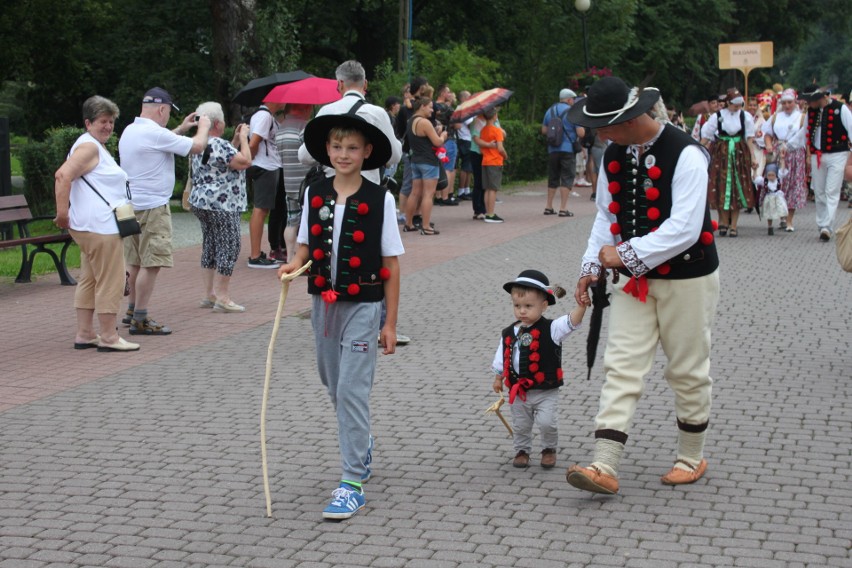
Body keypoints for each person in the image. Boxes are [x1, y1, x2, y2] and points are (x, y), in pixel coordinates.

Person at [565, 76, 720, 495]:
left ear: (630, 119)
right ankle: (605, 465)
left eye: (603, 126)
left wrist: (626, 254)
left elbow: (685, 228)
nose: (597, 134)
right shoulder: (613, 154)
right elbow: (604, 216)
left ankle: (691, 456)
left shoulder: (688, 154)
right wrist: (590, 266)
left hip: (688, 278)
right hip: (634, 283)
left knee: (687, 369)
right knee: (622, 366)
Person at [277, 109, 402, 520]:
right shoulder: (315, 193)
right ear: (326, 151)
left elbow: (392, 263)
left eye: (352, 147)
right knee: (333, 385)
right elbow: (302, 247)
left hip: (365, 307)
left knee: (351, 389)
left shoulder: (380, 197)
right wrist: (291, 267)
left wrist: (390, 322)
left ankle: (351, 482)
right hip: (324, 306)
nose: (343, 154)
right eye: (336, 147)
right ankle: (361, 440)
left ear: (367, 152)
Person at [120, 87, 210, 335]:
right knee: (153, 263)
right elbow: (198, 146)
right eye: (168, 112)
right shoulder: (154, 134)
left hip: (131, 206)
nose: (167, 117)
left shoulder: (132, 130)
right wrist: (204, 127)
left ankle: (130, 310)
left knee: (134, 261)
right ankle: (141, 318)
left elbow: (162, 140)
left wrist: (181, 128)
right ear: (161, 109)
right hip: (153, 209)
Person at [53, 96, 140, 352]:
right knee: (110, 281)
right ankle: (109, 337)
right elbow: (63, 175)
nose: (108, 126)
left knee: (90, 279)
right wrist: (61, 213)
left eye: (111, 121)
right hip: (101, 227)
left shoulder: (93, 145)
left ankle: (85, 333)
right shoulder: (89, 148)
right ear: (88, 122)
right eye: (103, 121)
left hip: (90, 226)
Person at [492, 270, 588, 469]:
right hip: (519, 391)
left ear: (543, 306)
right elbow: (503, 356)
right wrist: (498, 377)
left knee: (547, 423)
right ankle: (521, 450)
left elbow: (572, 321)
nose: (522, 311)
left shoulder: (552, 328)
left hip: (546, 390)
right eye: (517, 306)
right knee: (521, 424)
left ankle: (548, 449)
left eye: (528, 306)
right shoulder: (509, 332)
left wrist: (581, 306)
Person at [188, 102, 252, 312]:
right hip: (222, 204)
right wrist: (243, 139)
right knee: (230, 245)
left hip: (202, 202)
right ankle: (223, 297)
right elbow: (245, 162)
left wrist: (234, 140)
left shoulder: (199, 143)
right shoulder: (220, 146)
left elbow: (224, 159)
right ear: (217, 123)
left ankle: (209, 294)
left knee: (211, 245)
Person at [701, 87, 758, 238]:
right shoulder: (717, 116)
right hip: (722, 153)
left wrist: (753, 157)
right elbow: (706, 136)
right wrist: (698, 151)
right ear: (727, 102)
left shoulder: (745, 117)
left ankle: (733, 225)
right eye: (734, 104)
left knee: (736, 188)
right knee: (721, 186)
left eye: (739, 104)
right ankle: (724, 222)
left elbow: (750, 138)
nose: (737, 107)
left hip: (739, 154)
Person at [803, 86, 852, 241]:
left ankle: (827, 226)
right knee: (819, 192)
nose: (809, 105)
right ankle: (822, 224)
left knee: (832, 191)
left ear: (819, 98)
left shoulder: (840, 108)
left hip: (838, 154)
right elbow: (804, 132)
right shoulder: (811, 112)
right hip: (818, 155)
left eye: (810, 101)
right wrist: (789, 145)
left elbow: (851, 129)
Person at [763, 88, 808, 231]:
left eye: (790, 102)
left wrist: (808, 157)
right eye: (784, 103)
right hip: (778, 152)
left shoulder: (802, 117)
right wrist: (769, 145)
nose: (787, 105)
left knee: (794, 185)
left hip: (795, 154)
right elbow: (768, 134)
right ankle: (781, 215)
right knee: (778, 184)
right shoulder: (776, 116)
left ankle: (789, 220)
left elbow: (805, 138)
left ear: (795, 102)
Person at [247, 101, 285, 267]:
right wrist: (252, 160)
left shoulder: (265, 116)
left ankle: (257, 253)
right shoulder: (264, 116)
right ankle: (255, 256)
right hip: (266, 167)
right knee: (260, 209)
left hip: (267, 166)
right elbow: (254, 142)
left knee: (263, 209)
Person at [402, 95, 446, 235]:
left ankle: (408, 224)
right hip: (428, 162)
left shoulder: (411, 121)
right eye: (430, 107)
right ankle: (426, 227)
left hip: (415, 160)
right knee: (428, 194)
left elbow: (422, 138)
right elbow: (438, 142)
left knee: (415, 193)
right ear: (422, 106)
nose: (432, 110)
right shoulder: (425, 122)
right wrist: (443, 135)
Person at [275, 103, 313, 261]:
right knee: (308, 221)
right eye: (310, 108)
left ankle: (290, 257)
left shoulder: (281, 129)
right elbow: (310, 153)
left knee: (291, 221)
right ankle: (305, 258)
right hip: (306, 182)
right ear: (302, 108)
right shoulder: (303, 127)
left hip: (289, 182)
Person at [541, 89, 585, 217]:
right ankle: (563, 208)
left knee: (553, 177)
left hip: (552, 149)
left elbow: (544, 130)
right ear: (570, 99)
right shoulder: (572, 113)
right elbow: (581, 133)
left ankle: (548, 206)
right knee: (567, 177)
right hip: (567, 150)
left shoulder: (550, 111)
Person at [480, 107, 508, 223]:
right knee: (493, 189)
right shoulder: (497, 131)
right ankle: (491, 215)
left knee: (487, 189)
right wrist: (506, 156)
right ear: (494, 116)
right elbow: (500, 148)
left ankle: (488, 212)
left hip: (485, 161)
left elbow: (482, 147)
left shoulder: (483, 130)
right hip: (495, 161)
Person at [433, 84, 459, 205]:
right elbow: (458, 125)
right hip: (449, 138)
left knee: (439, 167)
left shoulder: (433, 105)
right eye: (448, 92)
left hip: (436, 139)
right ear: (443, 93)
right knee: (448, 168)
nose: (450, 94)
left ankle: (438, 195)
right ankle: (445, 196)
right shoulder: (449, 109)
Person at [755, 163, 788, 236]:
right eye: (769, 175)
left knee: (782, 209)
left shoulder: (779, 179)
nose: (771, 177)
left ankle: (783, 220)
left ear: (776, 174)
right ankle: (770, 226)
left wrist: (782, 160)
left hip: (778, 198)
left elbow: (782, 171)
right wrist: (755, 170)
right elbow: (756, 179)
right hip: (769, 198)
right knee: (769, 213)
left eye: (772, 175)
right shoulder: (765, 181)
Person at [455, 90, 474, 201]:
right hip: (465, 139)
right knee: (466, 166)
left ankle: (467, 189)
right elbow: (470, 124)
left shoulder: (466, 109)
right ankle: (461, 190)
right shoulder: (462, 109)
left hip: (468, 139)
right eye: (468, 97)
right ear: (463, 98)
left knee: (469, 167)